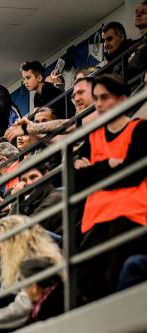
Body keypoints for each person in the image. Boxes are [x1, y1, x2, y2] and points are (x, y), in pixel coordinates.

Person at [74, 74, 147, 300]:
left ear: (123, 99)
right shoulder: (93, 136)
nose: (99, 104)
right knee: (85, 277)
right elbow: (78, 181)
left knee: (112, 276)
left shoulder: (140, 129)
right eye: (96, 98)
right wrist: (110, 164)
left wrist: (94, 169)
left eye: (105, 97)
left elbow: (132, 175)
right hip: (96, 217)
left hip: (131, 214)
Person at [19, 257, 64, 324]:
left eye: (22, 283)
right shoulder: (60, 292)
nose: (21, 289)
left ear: (34, 287)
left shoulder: (49, 311)